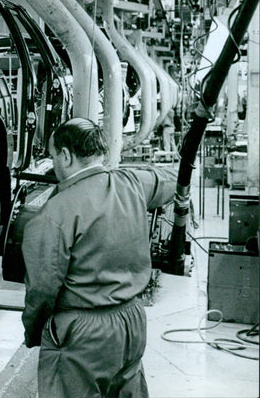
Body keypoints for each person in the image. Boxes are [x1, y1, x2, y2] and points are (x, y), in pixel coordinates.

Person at [21, 117, 176, 397]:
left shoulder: (52, 215)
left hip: (83, 332)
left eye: (54, 155)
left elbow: (42, 289)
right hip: (131, 322)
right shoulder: (132, 184)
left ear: (66, 155)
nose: (54, 163)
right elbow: (171, 180)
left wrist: (34, 332)